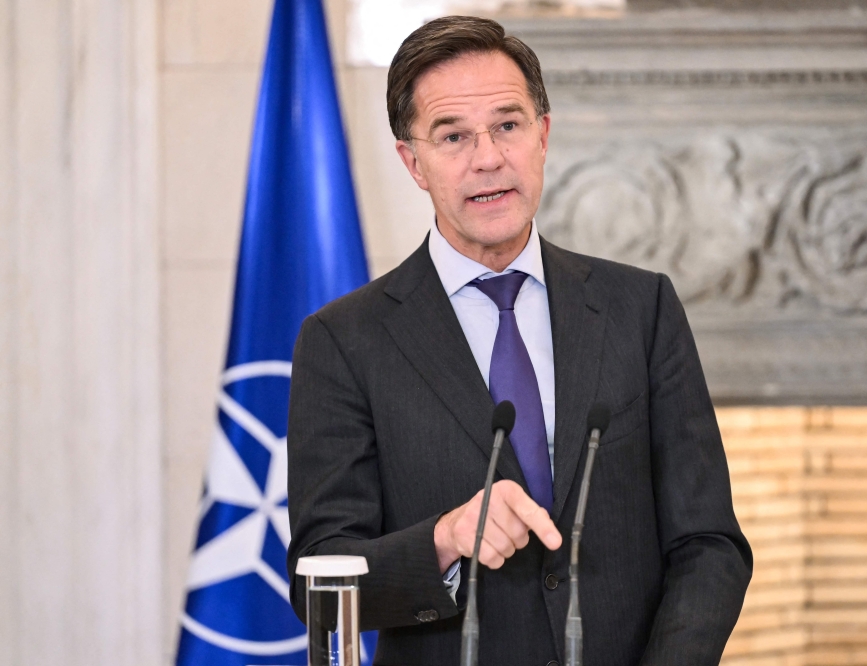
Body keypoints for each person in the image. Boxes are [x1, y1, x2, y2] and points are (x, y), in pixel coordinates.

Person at [286, 15, 752, 666]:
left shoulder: (639, 308)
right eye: (453, 136)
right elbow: (321, 581)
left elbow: (708, 544)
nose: (488, 158)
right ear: (412, 162)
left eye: (507, 125)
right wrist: (445, 539)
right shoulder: (344, 340)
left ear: (543, 135)